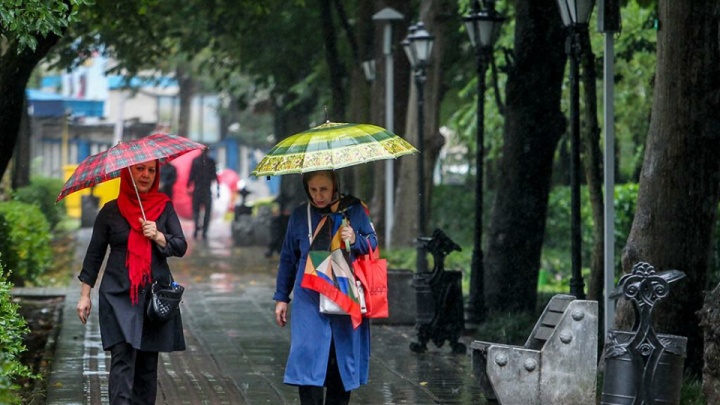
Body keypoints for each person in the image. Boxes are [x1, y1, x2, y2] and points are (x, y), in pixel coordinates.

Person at [76, 160, 187, 405]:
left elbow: (180, 246)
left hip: (153, 297)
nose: (146, 175)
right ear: (128, 173)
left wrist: (158, 235)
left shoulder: (163, 208)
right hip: (117, 294)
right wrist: (85, 295)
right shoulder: (110, 211)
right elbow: (94, 255)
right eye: (139, 169)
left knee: (147, 365)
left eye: (151, 170)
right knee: (122, 357)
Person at [273, 170, 377, 405]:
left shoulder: (355, 210)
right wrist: (282, 297)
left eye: (324, 189)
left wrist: (356, 239)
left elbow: (372, 241)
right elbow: (288, 257)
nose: (319, 196)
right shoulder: (301, 215)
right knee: (308, 353)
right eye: (313, 190)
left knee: (340, 356)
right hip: (308, 295)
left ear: (335, 186)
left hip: (344, 293)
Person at [186, 148, 218, 239]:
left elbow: (191, 176)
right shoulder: (211, 161)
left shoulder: (195, 161)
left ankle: (197, 228)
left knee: (196, 210)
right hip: (207, 190)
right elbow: (214, 176)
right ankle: (204, 231)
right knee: (207, 211)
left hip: (197, 189)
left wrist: (188, 186)